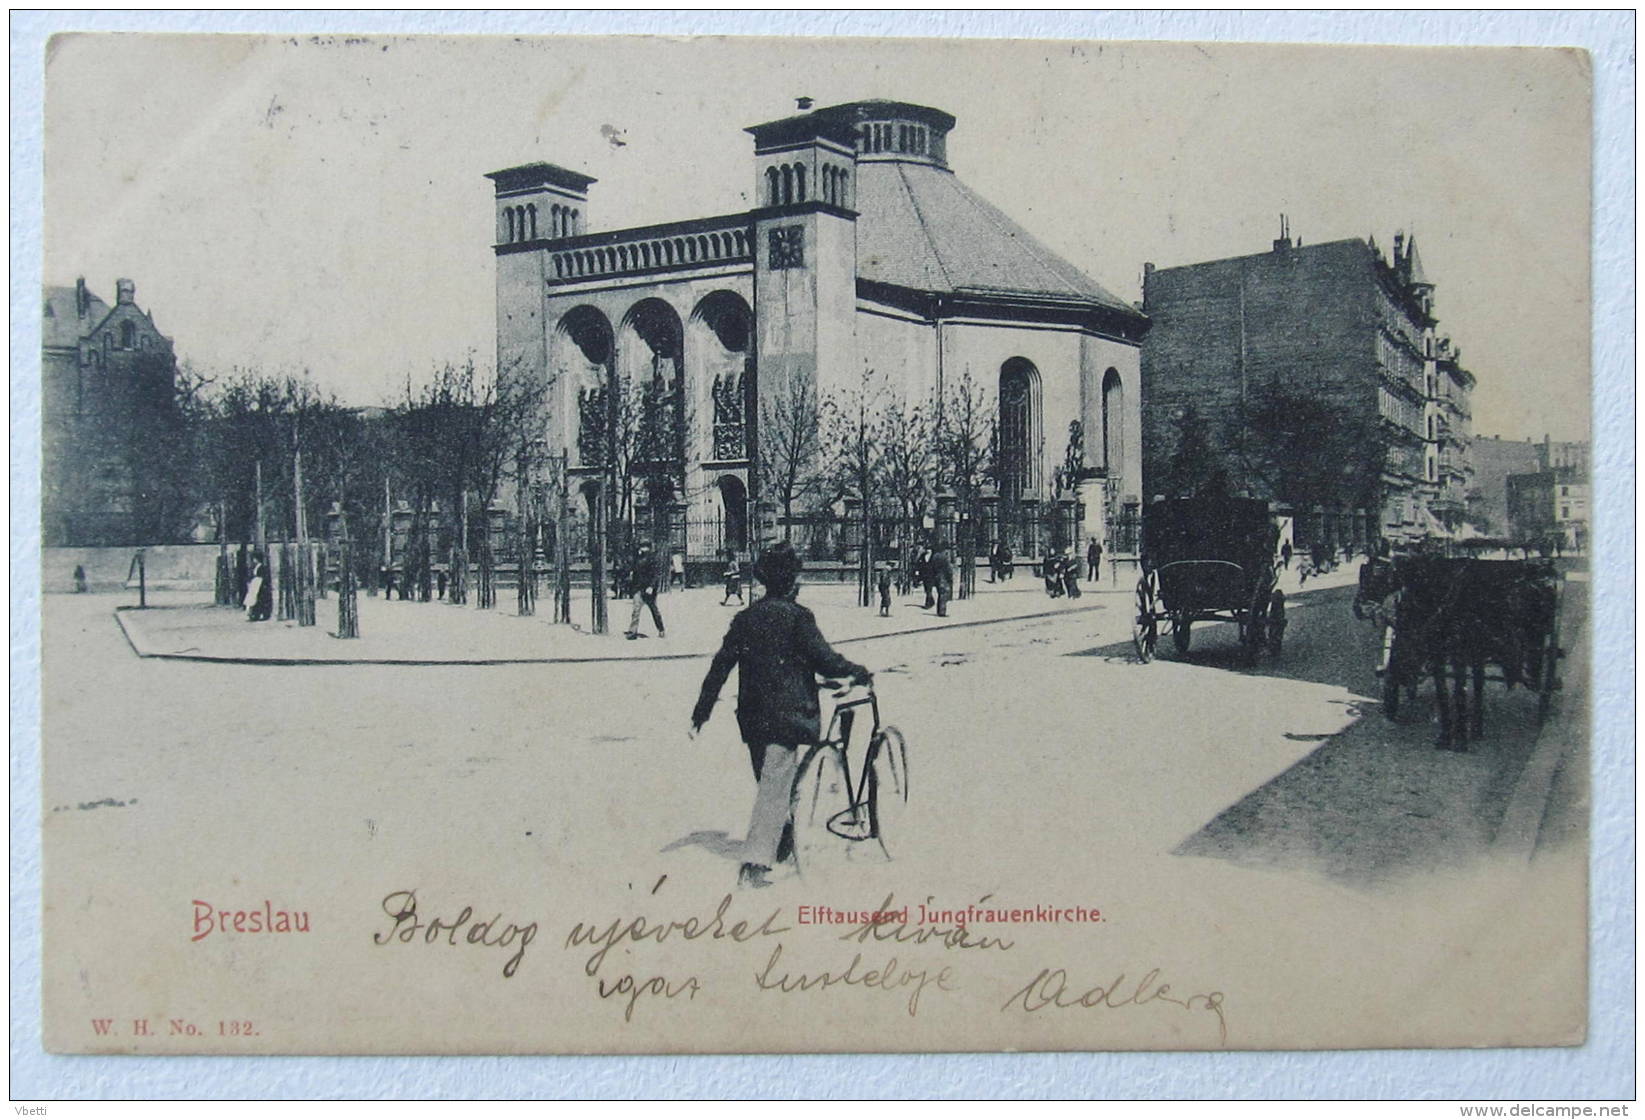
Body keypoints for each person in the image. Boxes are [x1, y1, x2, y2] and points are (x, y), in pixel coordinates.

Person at [690, 543, 872, 889]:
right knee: (774, 788)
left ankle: (783, 838)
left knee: (770, 781)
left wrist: (702, 712)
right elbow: (825, 660)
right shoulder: (799, 618)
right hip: (788, 717)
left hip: (752, 717)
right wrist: (857, 671)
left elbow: (720, 666)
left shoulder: (745, 619)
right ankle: (755, 864)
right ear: (792, 583)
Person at [625, 543, 665, 639]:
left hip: (648, 589)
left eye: (644, 547)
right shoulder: (637, 558)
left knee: (654, 610)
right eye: (641, 547)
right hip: (638, 588)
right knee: (636, 609)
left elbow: (656, 574)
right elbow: (633, 571)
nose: (642, 549)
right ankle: (632, 631)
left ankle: (661, 628)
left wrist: (651, 586)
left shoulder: (653, 559)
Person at [930, 547, 954, 617]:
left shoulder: (934, 556)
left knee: (940, 594)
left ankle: (939, 610)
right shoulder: (945, 557)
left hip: (936, 577)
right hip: (943, 578)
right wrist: (950, 577)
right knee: (943, 595)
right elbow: (948, 569)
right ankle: (942, 611)